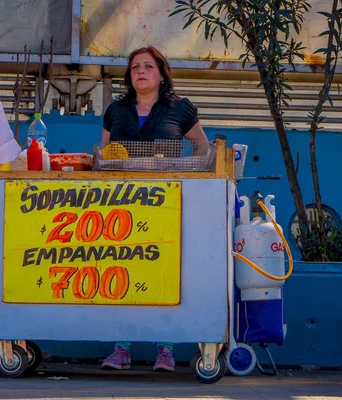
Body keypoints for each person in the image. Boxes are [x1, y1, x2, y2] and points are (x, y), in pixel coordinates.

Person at [100, 46, 209, 372]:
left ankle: (166, 348)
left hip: (167, 205)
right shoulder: (116, 110)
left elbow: (202, 147)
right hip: (122, 205)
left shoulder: (181, 108)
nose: (141, 72)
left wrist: (190, 168)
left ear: (162, 74)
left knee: (165, 272)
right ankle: (122, 348)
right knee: (122, 272)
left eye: (148, 66)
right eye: (135, 67)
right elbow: (104, 155)